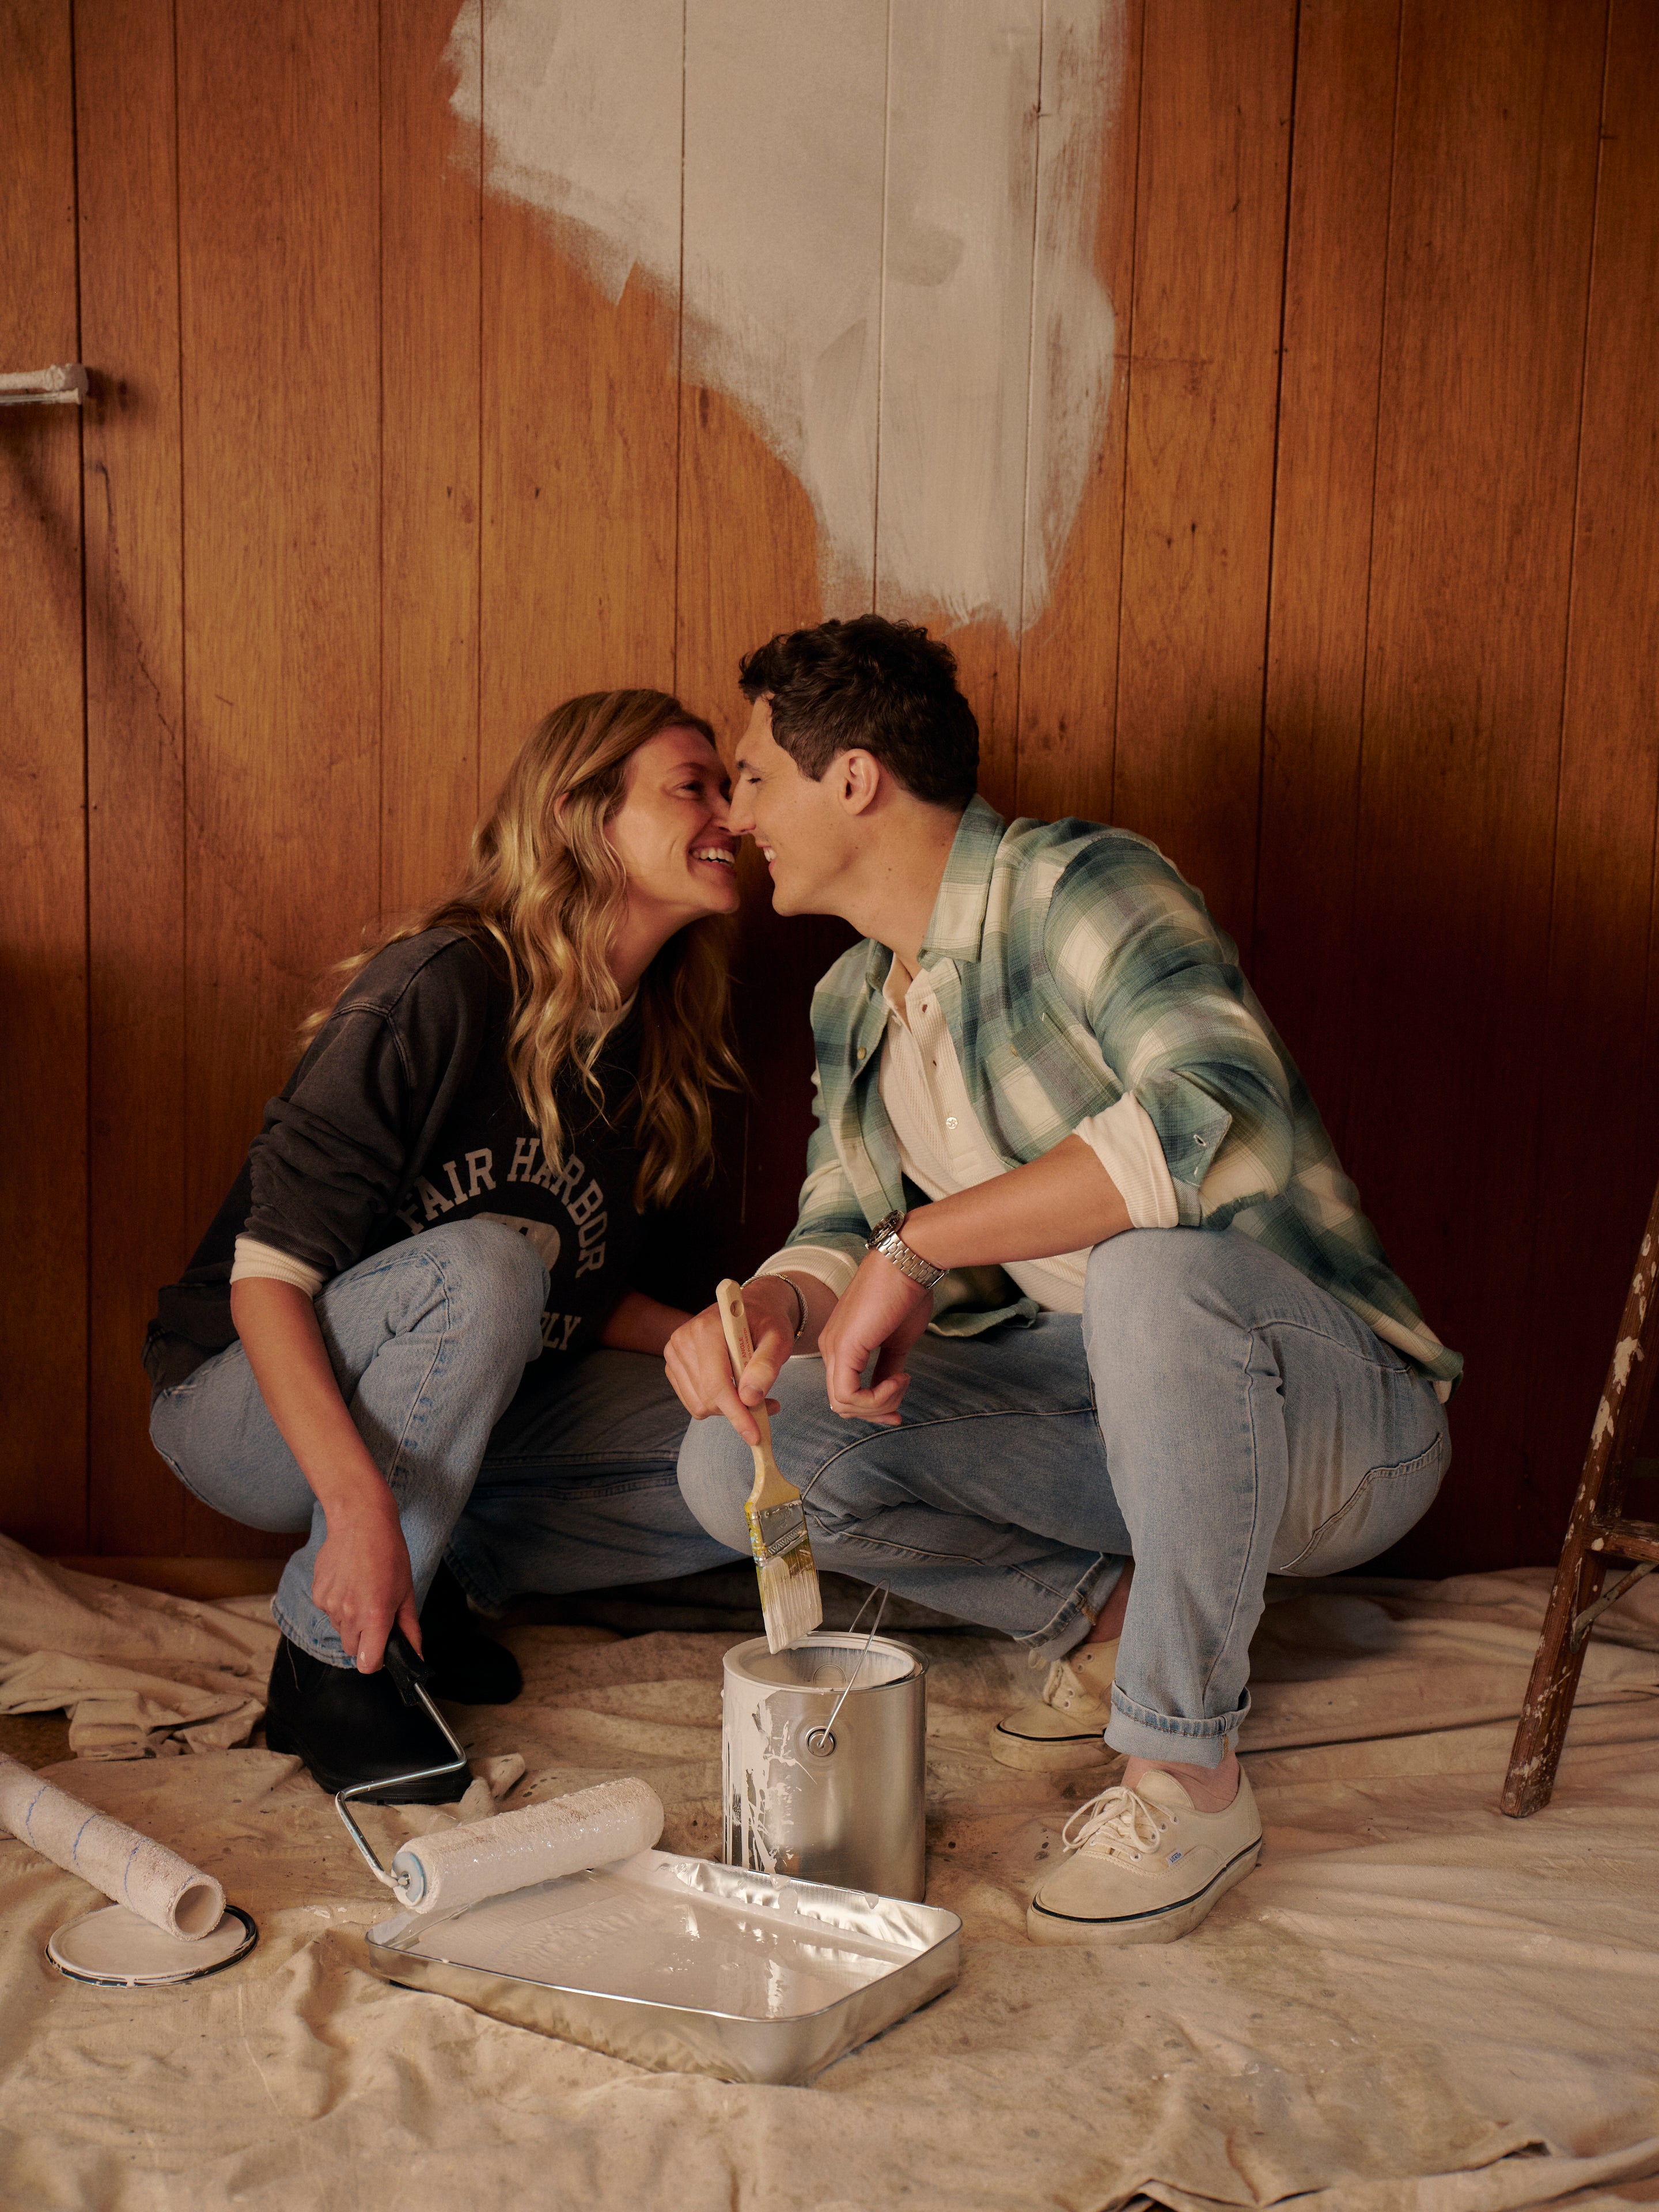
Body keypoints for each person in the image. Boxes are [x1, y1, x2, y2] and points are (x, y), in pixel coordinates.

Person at [669, 616, 1460, 1946]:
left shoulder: (1078, 886)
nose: (738, 815)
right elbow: (838, 1224)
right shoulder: (855, 1000)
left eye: (752, 776)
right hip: (1099, 1417)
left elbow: (1223, 1108)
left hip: (1334, 1427)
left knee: (1148, 1275)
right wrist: (773, 1310)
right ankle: (1108, 1625)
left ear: (852, 778)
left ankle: (1187, 1773)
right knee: (731, 1461)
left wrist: (920, 1249)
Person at [146, 690, 744, 1799]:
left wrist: (710, 1340)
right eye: (691, 788)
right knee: (482, 1266)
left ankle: (440, 1577)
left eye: (730, 788)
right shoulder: (443, 985)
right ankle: (328, 1667)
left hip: (470, 1396)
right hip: (240, 1403)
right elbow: (267, 1288)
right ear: (583, 816)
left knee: (754, 1433)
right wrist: (362, 1511)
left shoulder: (646, 1028)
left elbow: (570, 1291)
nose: (732, 816)